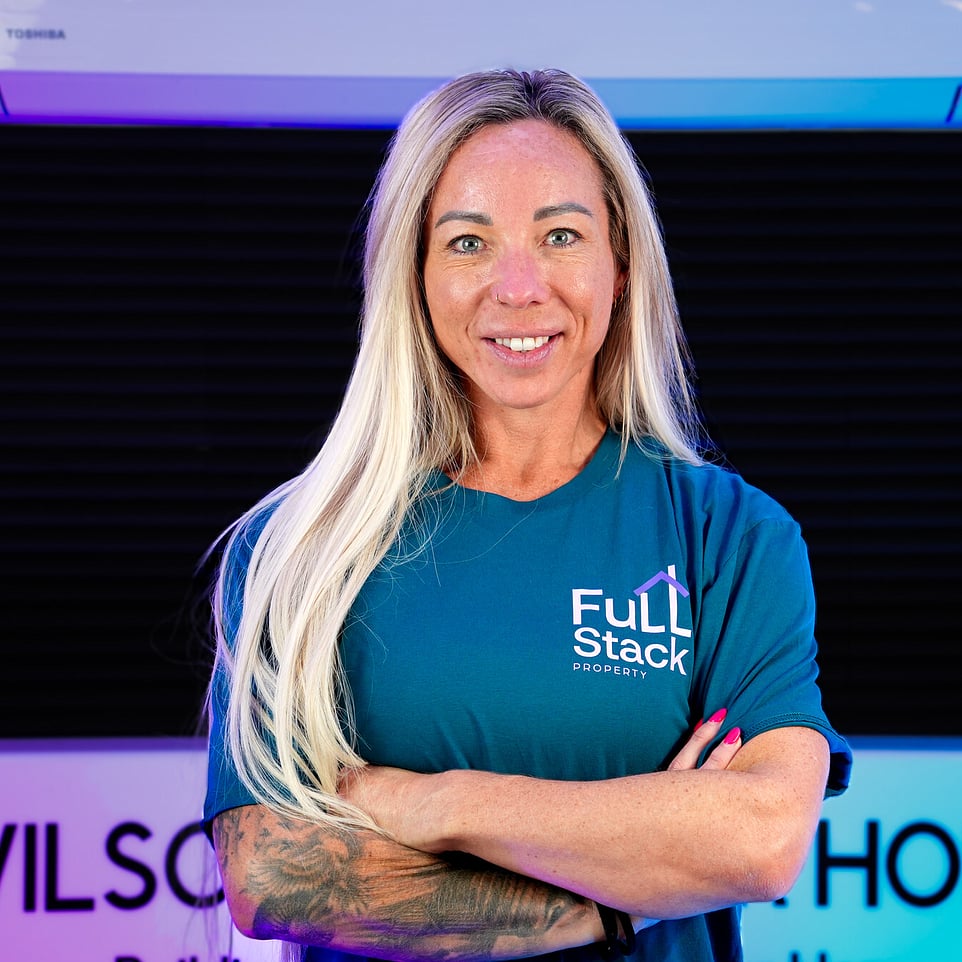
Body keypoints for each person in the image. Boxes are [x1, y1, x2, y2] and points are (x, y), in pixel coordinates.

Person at [202, 67, 852, 962]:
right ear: (415, 275)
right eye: (468, 242)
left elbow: (760, 838)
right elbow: (277, 877)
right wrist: (621, 899)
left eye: (561, 235)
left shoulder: (730, 538)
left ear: (620, 267)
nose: (517, 287)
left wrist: (435, 803)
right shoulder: (299, 550)